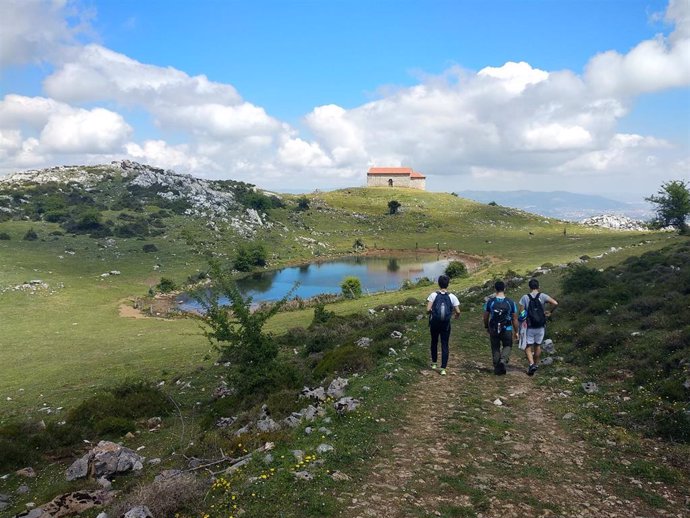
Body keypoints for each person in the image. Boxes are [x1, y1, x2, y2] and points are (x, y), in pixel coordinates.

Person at [519, 278, 558, 376]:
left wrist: (521, 322)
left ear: (529, 287)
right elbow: (555, 303)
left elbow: (521, 312)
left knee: (527, 346)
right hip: (540, 325)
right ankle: (536, 364)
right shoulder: (543, 296)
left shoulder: (525, 297)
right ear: (538, 287)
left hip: (529, 326)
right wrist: (549, 312)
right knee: (537, 345)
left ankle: (531, 364)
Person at [427, 275, 460, 376]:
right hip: (446, 324)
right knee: (445, 344)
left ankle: (434, 363)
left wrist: (432, 313)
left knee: (434, 341)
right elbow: (458, 311)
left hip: (435, 323)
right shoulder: (452, 296)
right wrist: (455, 316)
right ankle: (443, 368)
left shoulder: (433, 295)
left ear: (438, 283)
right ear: (448, 284)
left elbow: (428, 309)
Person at [483, 280, 518, 375]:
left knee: (495, 347)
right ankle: (503, 361)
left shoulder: (490, 302)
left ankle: (496, 366)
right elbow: (515, 318)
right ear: (504, 289)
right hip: (507, 328)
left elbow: (485, 315)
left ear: (495, 289)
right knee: (507, 345)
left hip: (493, 328)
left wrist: (486, 326)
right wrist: (516, 331)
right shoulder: (510, 302)